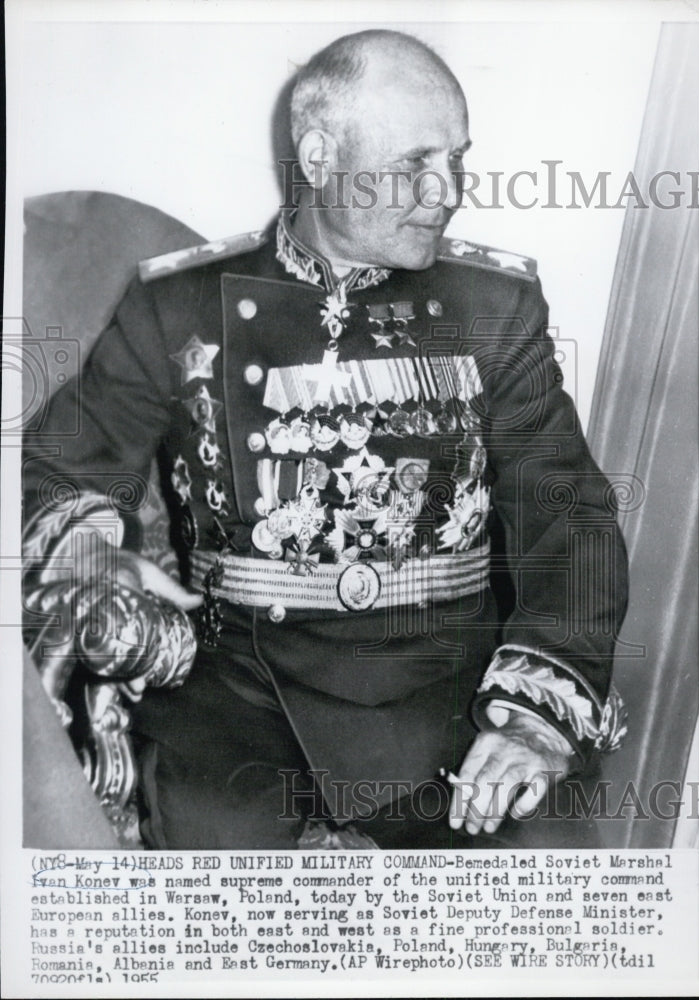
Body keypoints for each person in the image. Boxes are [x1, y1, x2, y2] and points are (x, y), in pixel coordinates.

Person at [22, 29, 628, 849]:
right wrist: (96, 556)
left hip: (449, 699)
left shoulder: (494, 307)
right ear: (318, 156)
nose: (447, 191)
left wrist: (531, 720)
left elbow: (571, 516)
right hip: (235, 697)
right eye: (414, 163)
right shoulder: (178, 303)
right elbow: (56, 467)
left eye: (456, 159)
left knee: (547, 892)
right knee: (213, 904)